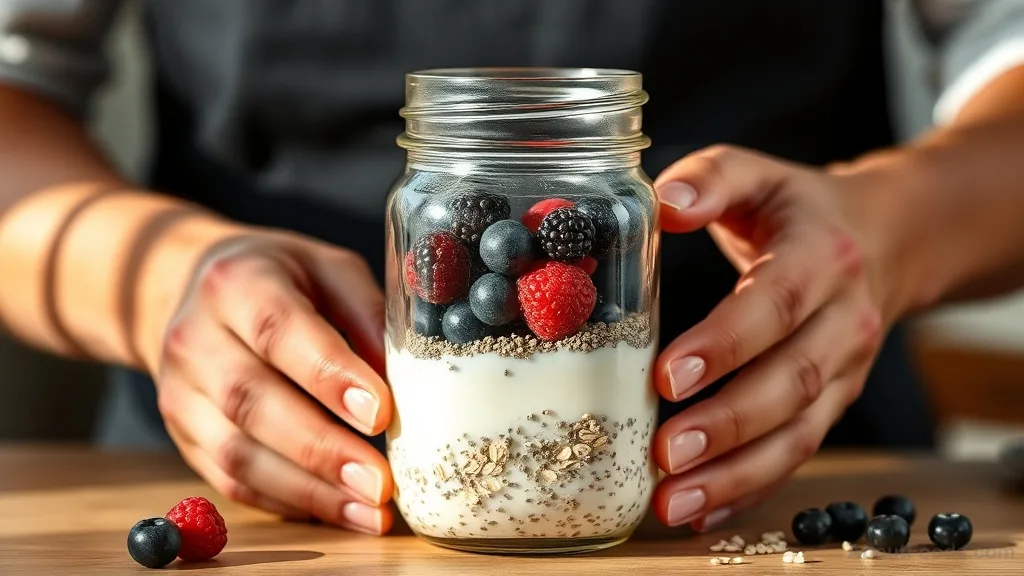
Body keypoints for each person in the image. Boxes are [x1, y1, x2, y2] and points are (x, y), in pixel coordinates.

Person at [1, 0, 1023, 536]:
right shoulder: (434, 212)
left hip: (765, 478)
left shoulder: (606, 212)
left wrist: (882, 233)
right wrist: (157, 280)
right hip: (251, 482)